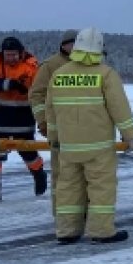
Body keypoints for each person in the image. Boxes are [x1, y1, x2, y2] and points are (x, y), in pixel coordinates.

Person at [45, 27, 133, 244]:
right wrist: (129, 135)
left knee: (68, 188)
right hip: (99, 147)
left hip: (68, 147)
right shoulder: (105, 74)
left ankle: (67, 231)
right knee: (101, 188)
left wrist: (54, 137)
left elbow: (51, 111)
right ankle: (101, 231)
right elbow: (120, 108)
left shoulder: (59, 75)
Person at [0, 36, 46, 204]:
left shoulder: (32, 66)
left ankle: (39, 175)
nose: (10, 58)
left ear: (21, 53)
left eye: (14, 55)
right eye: (7, 55)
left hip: (22, 118)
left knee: (28, 152)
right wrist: (9, 84)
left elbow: (40, 88)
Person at [28, 29, 78, 212]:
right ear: (63, 45)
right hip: (60, 130)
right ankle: (63, 216)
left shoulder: (90, 64)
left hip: (87, 131)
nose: (74, 47)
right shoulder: (50, 66)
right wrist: (42, 121)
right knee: (63, 175)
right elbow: (37, 95)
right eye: (71, 43)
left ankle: (84, 215)